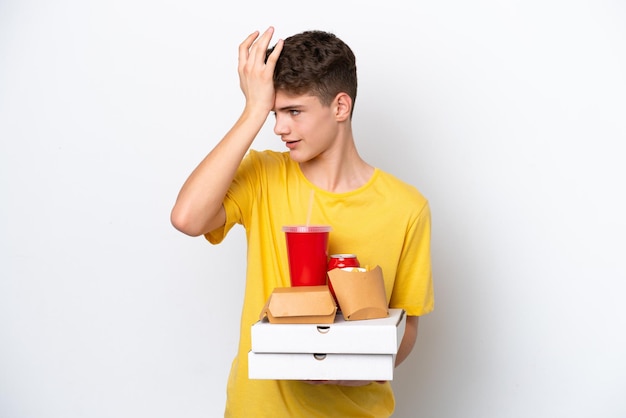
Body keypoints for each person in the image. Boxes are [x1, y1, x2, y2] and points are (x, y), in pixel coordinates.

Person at [171, 26, 434, 418]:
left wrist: (351, 372)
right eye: (275, 112)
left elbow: (406, 325)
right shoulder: (263, 174)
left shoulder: (406, 206)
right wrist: (252, 111)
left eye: (293, 111)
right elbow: (188, 218)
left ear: (340, 107)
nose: (279, 128)